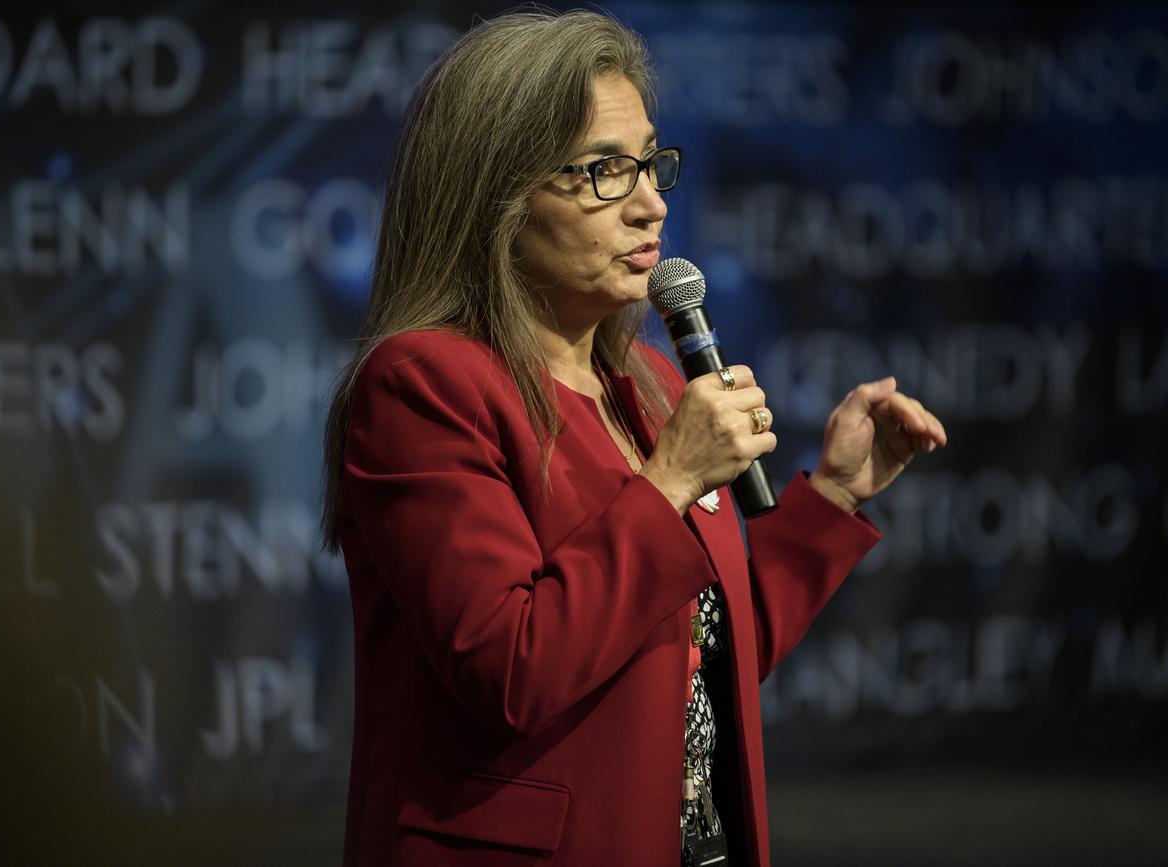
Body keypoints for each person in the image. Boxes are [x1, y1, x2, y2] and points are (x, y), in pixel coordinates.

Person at [321, 9, 946, 867]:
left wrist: (834, 495)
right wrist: (669, 481)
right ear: (494, 195)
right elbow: (513, 669)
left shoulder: (651, 385)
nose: (651, 202)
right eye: (604, 171)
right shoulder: (425, 385)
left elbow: (695, 650)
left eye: (650, 163)